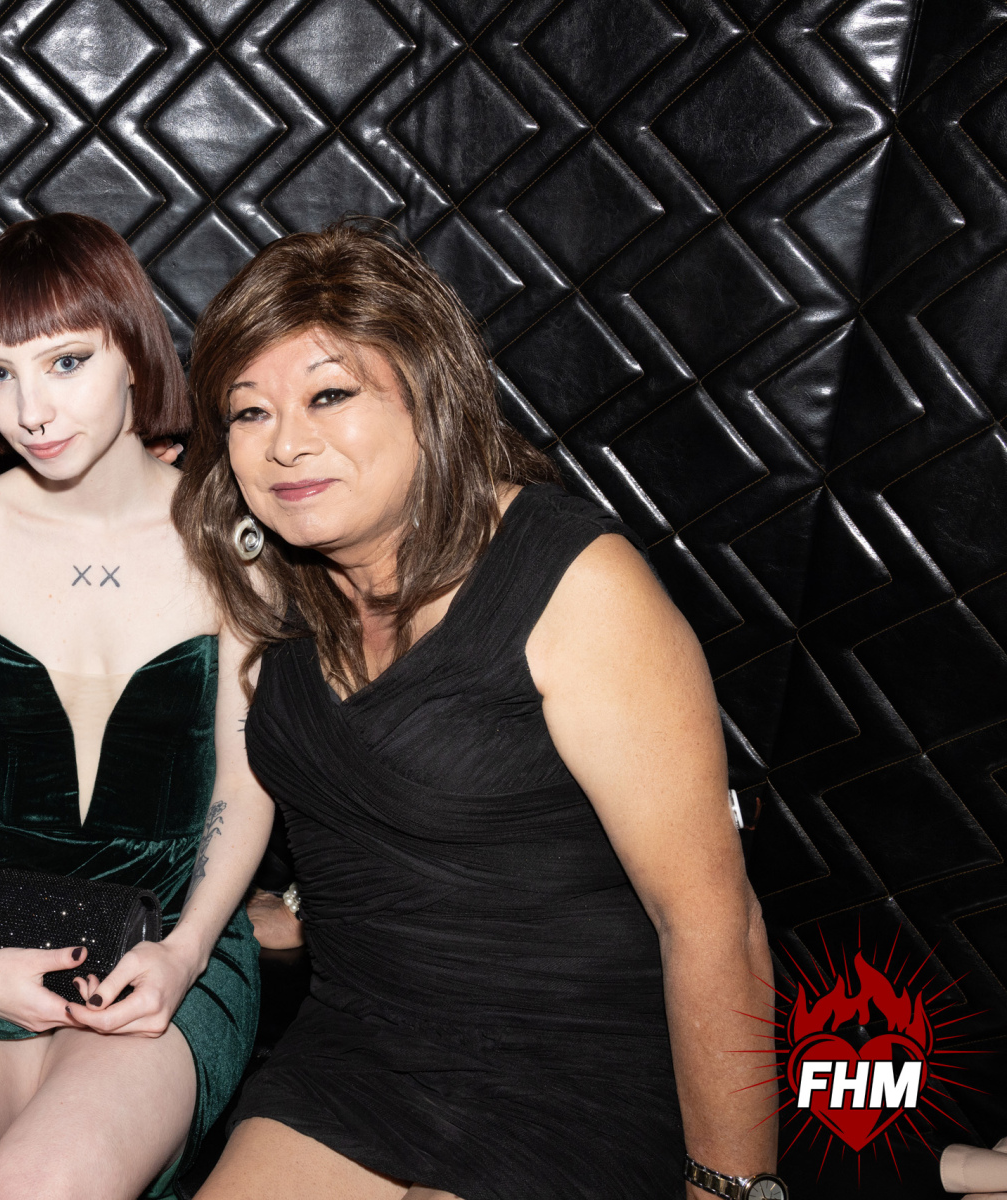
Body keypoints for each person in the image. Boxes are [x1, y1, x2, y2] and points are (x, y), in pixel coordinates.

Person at [176, 221, 780, 1200]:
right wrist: (274, 910)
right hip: (363, 1047)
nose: (286, 442)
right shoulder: (268, 583)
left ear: (431, 398)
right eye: (249, 412)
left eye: (330, 394)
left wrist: (733, 1188)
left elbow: (716, 923)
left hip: (579, 1066)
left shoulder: (575, 587)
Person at [0, 212, 267, 1200]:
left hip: (173, 927)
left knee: (44, 1184)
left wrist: (184, 953)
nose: (29, 410)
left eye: (65, 362)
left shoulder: (232, 540)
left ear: (134, 353)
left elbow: (246, 787)